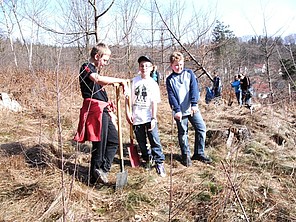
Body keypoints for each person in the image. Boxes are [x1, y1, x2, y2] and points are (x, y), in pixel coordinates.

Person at [74, 43, 128, 185]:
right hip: (94, 110)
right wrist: (120, 80)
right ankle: (94, 177)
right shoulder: (86, 67)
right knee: (100, 141)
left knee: (113, 140)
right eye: (104, 60)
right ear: (97, 56)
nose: (105, 63)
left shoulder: (97, 72)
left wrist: (111, 113)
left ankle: (103, 170)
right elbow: (97, 79)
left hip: (103, 110)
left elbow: (102, 93)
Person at [166, 52, 212, 167]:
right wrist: (176, 110)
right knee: (183, 133)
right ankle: (185, 155)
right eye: (176, 65)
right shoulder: (169, 80)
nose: (179, 67)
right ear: (171, 65)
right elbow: (171, 96)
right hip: (180, 111)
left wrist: (194, 104)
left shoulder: (189, 73)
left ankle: (199, 153)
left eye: (180, 64)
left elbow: (194, 89)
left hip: (192, 108)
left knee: (201, 128)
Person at [126, 56, 166, 177]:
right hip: (136, 117)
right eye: (142, 66)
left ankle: (159, 162)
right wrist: (128, 113)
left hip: (149, 117)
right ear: (139, 67)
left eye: (147, 66)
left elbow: (154, 102)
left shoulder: (153, 84)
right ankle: (147, 159)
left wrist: (153, 118)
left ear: (151, 68)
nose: (144, 68)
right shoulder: (134, 81)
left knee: (154, 140)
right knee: (141, 142)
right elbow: (128, 99)